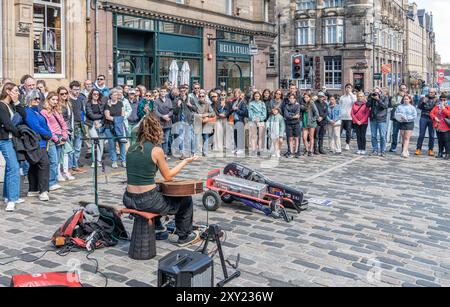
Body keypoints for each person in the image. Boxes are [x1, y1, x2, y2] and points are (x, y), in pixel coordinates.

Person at [122, 114, 199, 247]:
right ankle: (184, 236)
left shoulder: (130, 148)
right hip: (147, 201)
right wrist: (186, 161)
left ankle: (157, 227)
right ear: (156, 130)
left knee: (158, 190)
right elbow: (168, 176)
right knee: (185, 200)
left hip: (128, 198)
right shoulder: (156, 150)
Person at [23, 90, 52, 201]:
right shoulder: (28, 111)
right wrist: (48, 134)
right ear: (29, 99)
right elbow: (35, 126)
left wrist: (48, 133)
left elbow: (43, 124)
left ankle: (33, 189)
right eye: (35, 98)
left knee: (35, 165)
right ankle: (43, 190)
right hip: (37, 141)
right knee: (44, 163)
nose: (37, 100)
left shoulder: (37, 112)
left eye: (39, 98)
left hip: (42, 141)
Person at [0, 83, 23, 211]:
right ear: (8, 91)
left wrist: (17, 102)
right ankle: (12, 199)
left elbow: (23, 115)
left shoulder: (11, 104)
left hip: (10, 139)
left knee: (11, 167)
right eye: (15, 91)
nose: (18, 92)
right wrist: (19, 133)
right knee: (14, 168)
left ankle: (8, 196)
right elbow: (8, 125)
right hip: (4, 140)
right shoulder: (1, 105)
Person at [41, 92, 68, 192]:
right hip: (52, 139)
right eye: (53, 99)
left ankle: (53, 180)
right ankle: (50, 182)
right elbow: (47, 127)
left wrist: (64, 136)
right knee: (53, 161)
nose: (55, 101)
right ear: (48, 100)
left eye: (56, 100)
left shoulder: (57, 110)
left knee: (57, 162)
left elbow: (63, 124)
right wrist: (56, 139)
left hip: (61, 137)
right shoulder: (44, 112)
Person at [104, 89, 127, 168]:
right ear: (110, 96)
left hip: (119, 127)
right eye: (114, 95)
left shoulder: (120, 103)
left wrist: (115, 119)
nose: (116, 96)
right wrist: (116, 119)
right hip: (109, 127)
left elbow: (123, 115)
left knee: (122, 143)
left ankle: (123, 160)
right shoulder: (107, 104)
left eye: (117, 95)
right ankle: (114, 161)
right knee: (112, 145)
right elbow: (107, 116)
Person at [57, 87, 76, 181]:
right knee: (62, 153)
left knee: (66, 153)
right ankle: (60, 173)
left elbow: (71, 118)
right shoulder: (58, 105)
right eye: (62, 94)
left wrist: (71, 130)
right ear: (58, 95)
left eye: (65, 93)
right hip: (61, 131)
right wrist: (63, 131)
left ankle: (65, 172)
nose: (64, 95)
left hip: (69, 130)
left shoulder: (68, 103)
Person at [173, 85, 198, 159]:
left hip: (189, 121)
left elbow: (195, 109)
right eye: (181, 91)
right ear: (179, 92)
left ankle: (192, 153)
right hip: (180, 122)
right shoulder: (177, 100)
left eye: (184, 91)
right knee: (180, 138)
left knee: (190, 138)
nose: (183, 92)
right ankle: (182, 154)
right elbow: (175, 112)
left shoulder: (190, 99)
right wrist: (178, 105)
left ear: (186, 91)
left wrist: (190, 105)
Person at [68, 81, 86, 173]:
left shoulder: (80, 99)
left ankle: (75, 165)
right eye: (75, 89)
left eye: (78, 89)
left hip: (79, 125)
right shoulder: (68, 100)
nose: (77, 91)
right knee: (70, 148)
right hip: (71, 126)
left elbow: (82, 112)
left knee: (78, 147)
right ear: (70, 89)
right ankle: (70, 167)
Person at [85, 89, 105, 167]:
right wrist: (97, 119)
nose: (96, 95)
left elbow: (105, 115)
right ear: (91, 95)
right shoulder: (88, 103)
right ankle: (94, 161)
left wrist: (100, 123)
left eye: (97, 94)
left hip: (100, 124)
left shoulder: (101, 103)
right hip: (91, 124)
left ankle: (99, 161)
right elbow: (91, 115)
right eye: (94, 94)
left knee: (101, 143)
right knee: (95, 141)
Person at [416, 88, 439, 156]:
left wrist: (426, 106)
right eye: (429, 92)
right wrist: (423, 102)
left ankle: (430, 149)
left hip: (432, 118)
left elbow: (435, 109)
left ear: (434, 93)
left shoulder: (436, 100)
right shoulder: (423, 98)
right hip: (424, 117)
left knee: (431, 135)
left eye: (432, 92)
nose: (430, 93)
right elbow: (419, 107)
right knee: (421, 134)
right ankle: (418, 148)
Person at [367, 87, 389, 156]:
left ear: (380, 92)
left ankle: (383, 151)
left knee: (382, 136)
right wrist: (370, 97)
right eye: (374, 92)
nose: (376, 93)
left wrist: (378, 99)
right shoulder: (372, 98)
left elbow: (385, 106)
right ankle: (375, 150)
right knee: (373, 136)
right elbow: (367, 105)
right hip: (373, 119)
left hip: (381, 119)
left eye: (377, 92)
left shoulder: (384, 97)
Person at [195, 91, 215, 157]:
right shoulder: (195, 104)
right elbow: (193, 113)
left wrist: (207, 114)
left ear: (205, 97)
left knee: (206, 137)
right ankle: (198, 152)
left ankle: (205, 152)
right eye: (200, 96)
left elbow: (213, 113)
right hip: (198, 122)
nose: (201, 97)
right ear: (198, 97)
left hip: (206, 123)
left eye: (202, 96)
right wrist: (199, 116)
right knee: (197, 137)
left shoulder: (208, 104)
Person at [154, 87, 174, 157]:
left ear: (166, 92)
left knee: (166, 139)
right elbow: (155, 111)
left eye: (164, 91)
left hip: (168, 122)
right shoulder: (156, 101)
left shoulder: (169, 100)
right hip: (159, 123)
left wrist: (167, 115)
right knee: (159, 139)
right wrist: (162, 116)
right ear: (159, 92)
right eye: (161, 91)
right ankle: (160, 154)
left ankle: (164, 153)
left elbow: (171, 110)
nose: (163, 93)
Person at [430, 94, 450, 159]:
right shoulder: (437, 107)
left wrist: (444, 109)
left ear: (447, 100)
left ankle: (447, 154)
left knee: (446, 141)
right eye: (441, 100)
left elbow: (449, 114)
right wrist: (434, 117)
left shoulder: (448, 107)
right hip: (438, 126)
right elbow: (431, 113)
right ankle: (440, 152)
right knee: (440, 140)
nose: (442, 101)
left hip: (446, 127)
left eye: (444, 100)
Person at [248, 91, 267, 156]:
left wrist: (260, 119)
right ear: (254, 96)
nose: (257, 97)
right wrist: (255, 119)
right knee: (253, 136)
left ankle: (259, 149)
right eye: (255, 96)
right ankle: (253, 149)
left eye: (258, 96)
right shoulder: (251, 103)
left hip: (261, 121)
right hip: (253, 121)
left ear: (260, 97)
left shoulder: (262, 103)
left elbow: (264, 114)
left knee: (260, 136)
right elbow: (250, 113)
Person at [389, 87, 407, 153]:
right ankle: (393, 147)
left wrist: (399, 104)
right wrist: (401, 104)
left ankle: (404, 148)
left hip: (404, 118)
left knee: (404, 134)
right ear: (399, 91)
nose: (402, 92)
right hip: (396, 118)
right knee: (394, 133)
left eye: (403, 90)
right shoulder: (395, 96)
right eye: (401, 91)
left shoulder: (407, 97)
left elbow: (408, 105)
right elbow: (393, 103)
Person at [339, 84, 357, 151]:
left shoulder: (353, 96)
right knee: (339, 131)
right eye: (347, 87)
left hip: (349, 117)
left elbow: (355, 101)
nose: (347, 89)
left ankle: (347, 144)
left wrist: (350, 93)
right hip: (342, 117)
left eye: (349, 88)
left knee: (348, 131)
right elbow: (340, 106)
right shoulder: (342, 97)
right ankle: (338, 143)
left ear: (351, 89)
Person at [230, 89, 247, 155]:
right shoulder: (234, 101)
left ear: (240, 94)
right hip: (234, 119)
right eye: (234, 93)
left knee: (240, 134)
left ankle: (241, 148)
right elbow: (231, 109)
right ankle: (237, 147)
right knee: (235, 134)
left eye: (237, 93)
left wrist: (237, 110)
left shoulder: (243, 102)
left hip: (240, 120)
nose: (235, 95)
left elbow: (244, 112)